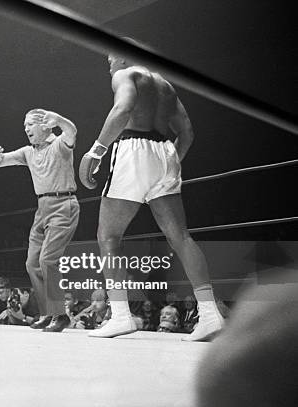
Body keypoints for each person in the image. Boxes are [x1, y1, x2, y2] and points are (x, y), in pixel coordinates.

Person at [79, 38, 224, 341]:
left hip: (134, 148)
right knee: (181, 237)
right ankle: (210, 315)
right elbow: (187, 132)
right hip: (165, 152)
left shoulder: (126, 75)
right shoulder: (165, 85)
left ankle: (120, 316)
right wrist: (170, 165)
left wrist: (96, 151)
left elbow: (123, 107)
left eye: (109, 58)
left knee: (108, 236)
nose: (108, 65)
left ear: (122, 56)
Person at [0, 108, 80, 332]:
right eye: (24, 125)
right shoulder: (28, 152)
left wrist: (59, 119)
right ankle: (48, 313)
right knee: (32, 263)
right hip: (42, 209)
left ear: (44, 125)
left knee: (48, 260)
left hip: (63, 204)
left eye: (30, 124)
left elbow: (71, 131)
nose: (26, 129)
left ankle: (61, 315)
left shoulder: (60, 145)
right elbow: (1, 161)